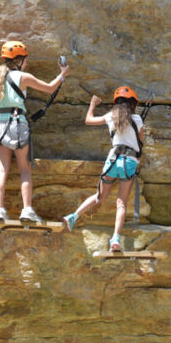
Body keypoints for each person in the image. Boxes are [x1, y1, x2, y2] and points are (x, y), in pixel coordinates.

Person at [0, 41, 69, 223]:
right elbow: (49, 88)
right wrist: (62, 75)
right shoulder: (23, 77)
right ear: (18, 60)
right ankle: (27, 210)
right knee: (24, 169)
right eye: (25, 59)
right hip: (17, 122)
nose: (27, 63)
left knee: (1, 170)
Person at [62, 87, 144, 250]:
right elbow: (140, 143)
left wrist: (93, 104)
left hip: (112, 160)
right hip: (129, 162)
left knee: (100, 196)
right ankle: (115, 239)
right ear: (133, 104)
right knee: (121, 203)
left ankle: (73, 216)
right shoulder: (138, 119)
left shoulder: (110, 117)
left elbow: (89, 120)